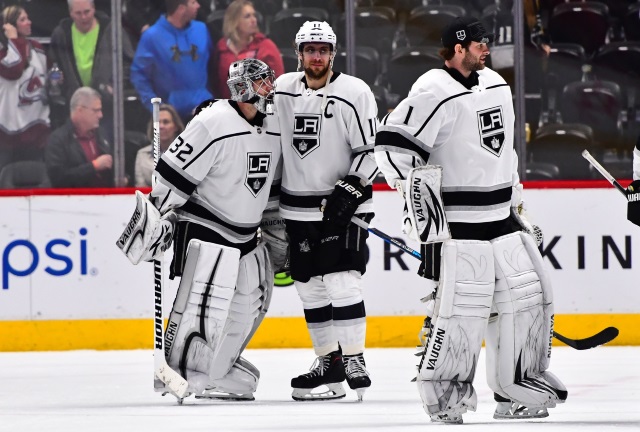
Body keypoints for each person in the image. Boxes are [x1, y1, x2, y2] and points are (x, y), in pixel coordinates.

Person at [374, 17, 567, 423]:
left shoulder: (496, 84)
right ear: (457, 48)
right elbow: (391, 147)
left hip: (501, 218)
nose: (486, 49)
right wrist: (421, 205)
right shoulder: (432, 90)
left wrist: (517, 203)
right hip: (461, 226)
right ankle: (445, 397)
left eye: (487, 43)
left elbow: (505, 152)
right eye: (479, 44)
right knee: (461, 315)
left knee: (527, 302)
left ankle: (514, 388)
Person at [117, 58, 283, 401]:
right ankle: (183, 370)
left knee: (252, 304)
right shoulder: (213, 122)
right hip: (208, 230)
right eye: (262, 82)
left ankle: (214, 372)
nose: (270, 88)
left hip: (248, 236)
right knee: (203, 310)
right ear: (243, 88)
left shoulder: (275, 123)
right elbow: (171, 174)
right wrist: (159, 216)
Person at [273, 21, 379, 402]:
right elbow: (257, 121)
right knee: (309, 288)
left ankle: (354, 359)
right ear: (298, 53)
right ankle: (328, 361)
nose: (316, 56)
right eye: (309, 49)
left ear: (333, 53)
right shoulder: (283, 89)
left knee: (342, 280)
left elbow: (371, 151)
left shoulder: (354, 92)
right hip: (298, 209)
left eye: (323, 49)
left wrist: (351, 188)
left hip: (343, 210)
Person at [130, 0, 214, 122]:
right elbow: (139, 76)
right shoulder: (152, 37)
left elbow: (212, 66)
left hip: (204, 111)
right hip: (171, 118)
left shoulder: (202, 29)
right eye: (193, 2)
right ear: (181, 9)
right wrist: (157, 108)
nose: (198, 5)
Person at [49, 0, 135, 111]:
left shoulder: (112, 30)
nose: (83, 17)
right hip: (75, 105)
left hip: (107, 104)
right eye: (78, 13)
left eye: (87, 12)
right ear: (70, 13)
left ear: (94, 8)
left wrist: (115, 86)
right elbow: (52, 64)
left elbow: (129, 62)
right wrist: (59, 83)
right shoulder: (61, 34)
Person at [0, 5, 50, 173]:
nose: (29, 22)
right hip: (8, 138)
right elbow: (14, 70)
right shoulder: (2, 52)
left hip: (37, 132)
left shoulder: (37, 47)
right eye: (22, 20)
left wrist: (57, 77)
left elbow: (52, 70)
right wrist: (13, 40)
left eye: (28, 18)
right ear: (10, 25)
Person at [213, 0, 284, 99]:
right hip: (227, 108)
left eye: (254, 15)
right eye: (247, 16)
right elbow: (216, 82)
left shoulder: (266, 47)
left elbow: (279, 84)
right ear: (234, 21)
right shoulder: (222, 47)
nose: (254, 20)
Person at [45, 86, 113, 187]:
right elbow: (58, 179)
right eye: (96, 110)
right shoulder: (58, 140)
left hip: (109, 198)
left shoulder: (101, 134)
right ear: (80, 110)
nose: (100, 115)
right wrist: (93, 167)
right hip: (73, 200)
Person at [134, 103, 184, 187]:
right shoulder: (142, 155)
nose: (161, 126)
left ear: (176, 126)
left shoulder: (188, 154)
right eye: (157, 122)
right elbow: (141, 188)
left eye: (166, 122)